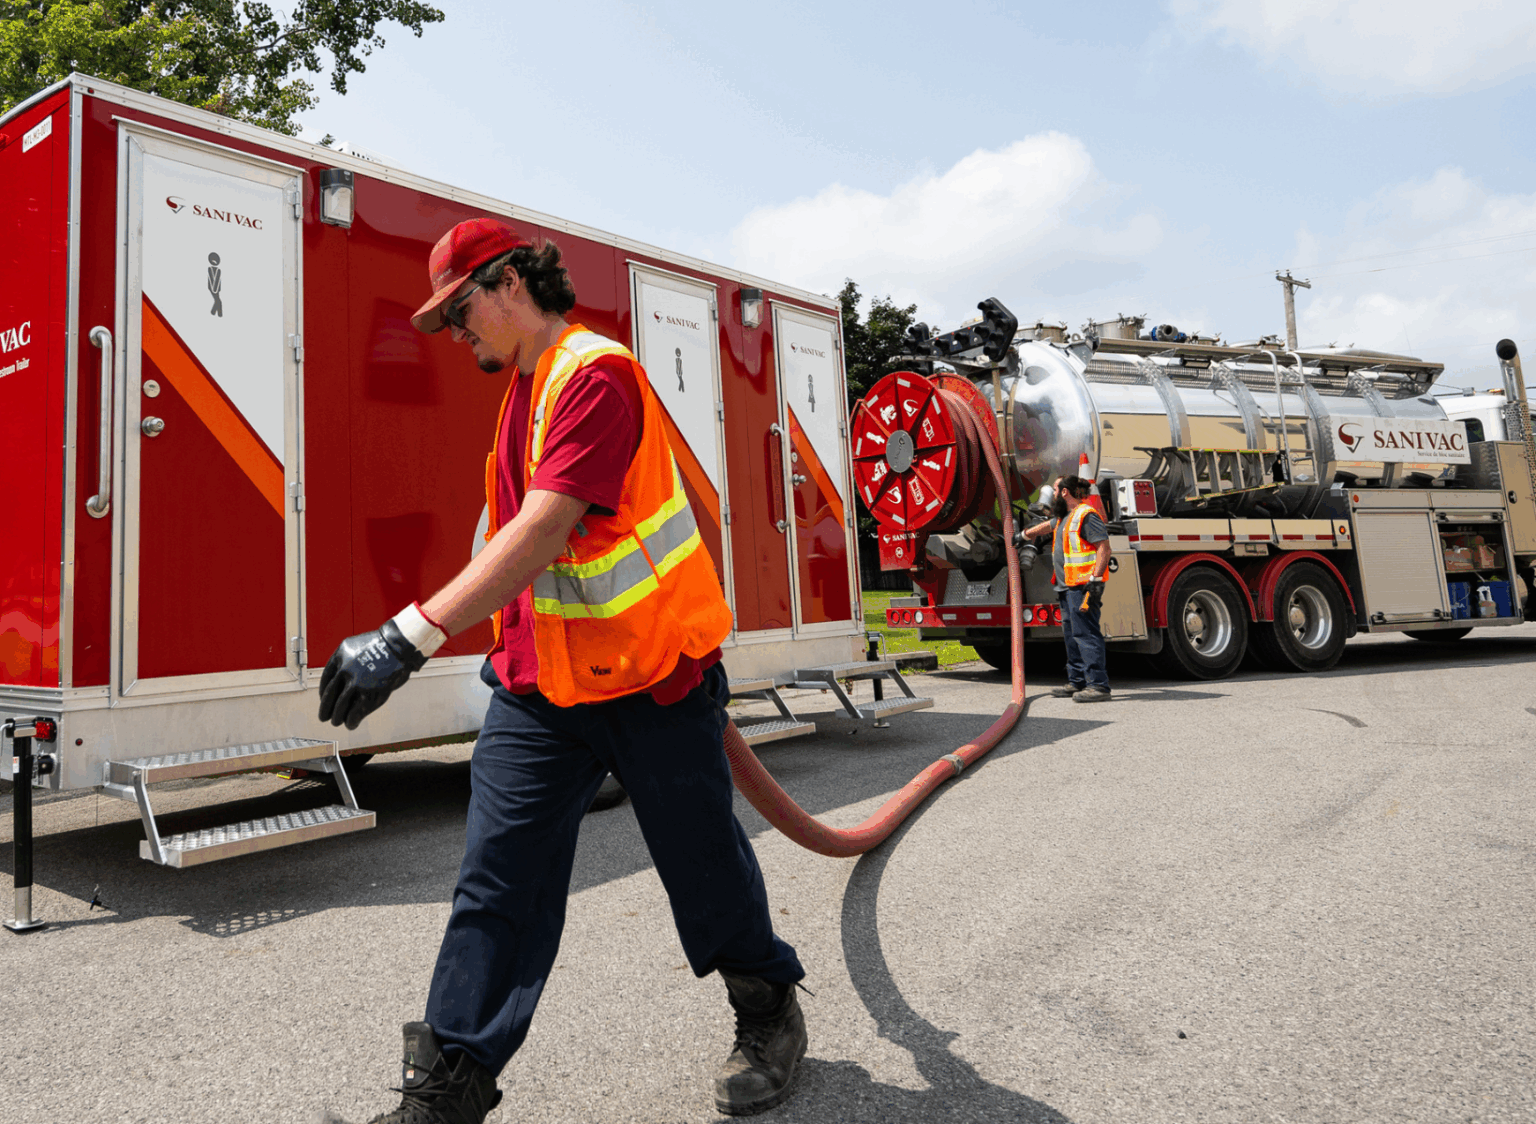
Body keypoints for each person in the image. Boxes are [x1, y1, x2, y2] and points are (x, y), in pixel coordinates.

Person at [318, 217, 808, 1123]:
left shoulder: (594, 375)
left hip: (652, 677)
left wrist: (407, 634)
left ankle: (767, 1005)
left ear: (509, 283)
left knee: (702, 866)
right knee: (497, 877)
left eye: (459, 310)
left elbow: (547, 528)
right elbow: (512, 544)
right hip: (543, 689)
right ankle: (451, 1087)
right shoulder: (523, 395)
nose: (453, 332)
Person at [1017, 474, 1112, 702]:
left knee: (1086, 634)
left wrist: (1095, 580)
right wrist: (1022, 535)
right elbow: (1046, 527)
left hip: (1082, 586)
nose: (1053, 494)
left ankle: (1098, 686)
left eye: (1056, 490)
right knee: (1072, 636)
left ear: (1065, 492)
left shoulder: (1085, 515)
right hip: (1067, 587)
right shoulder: (1065, 517)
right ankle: (1077, 681)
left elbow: (1104, 548)